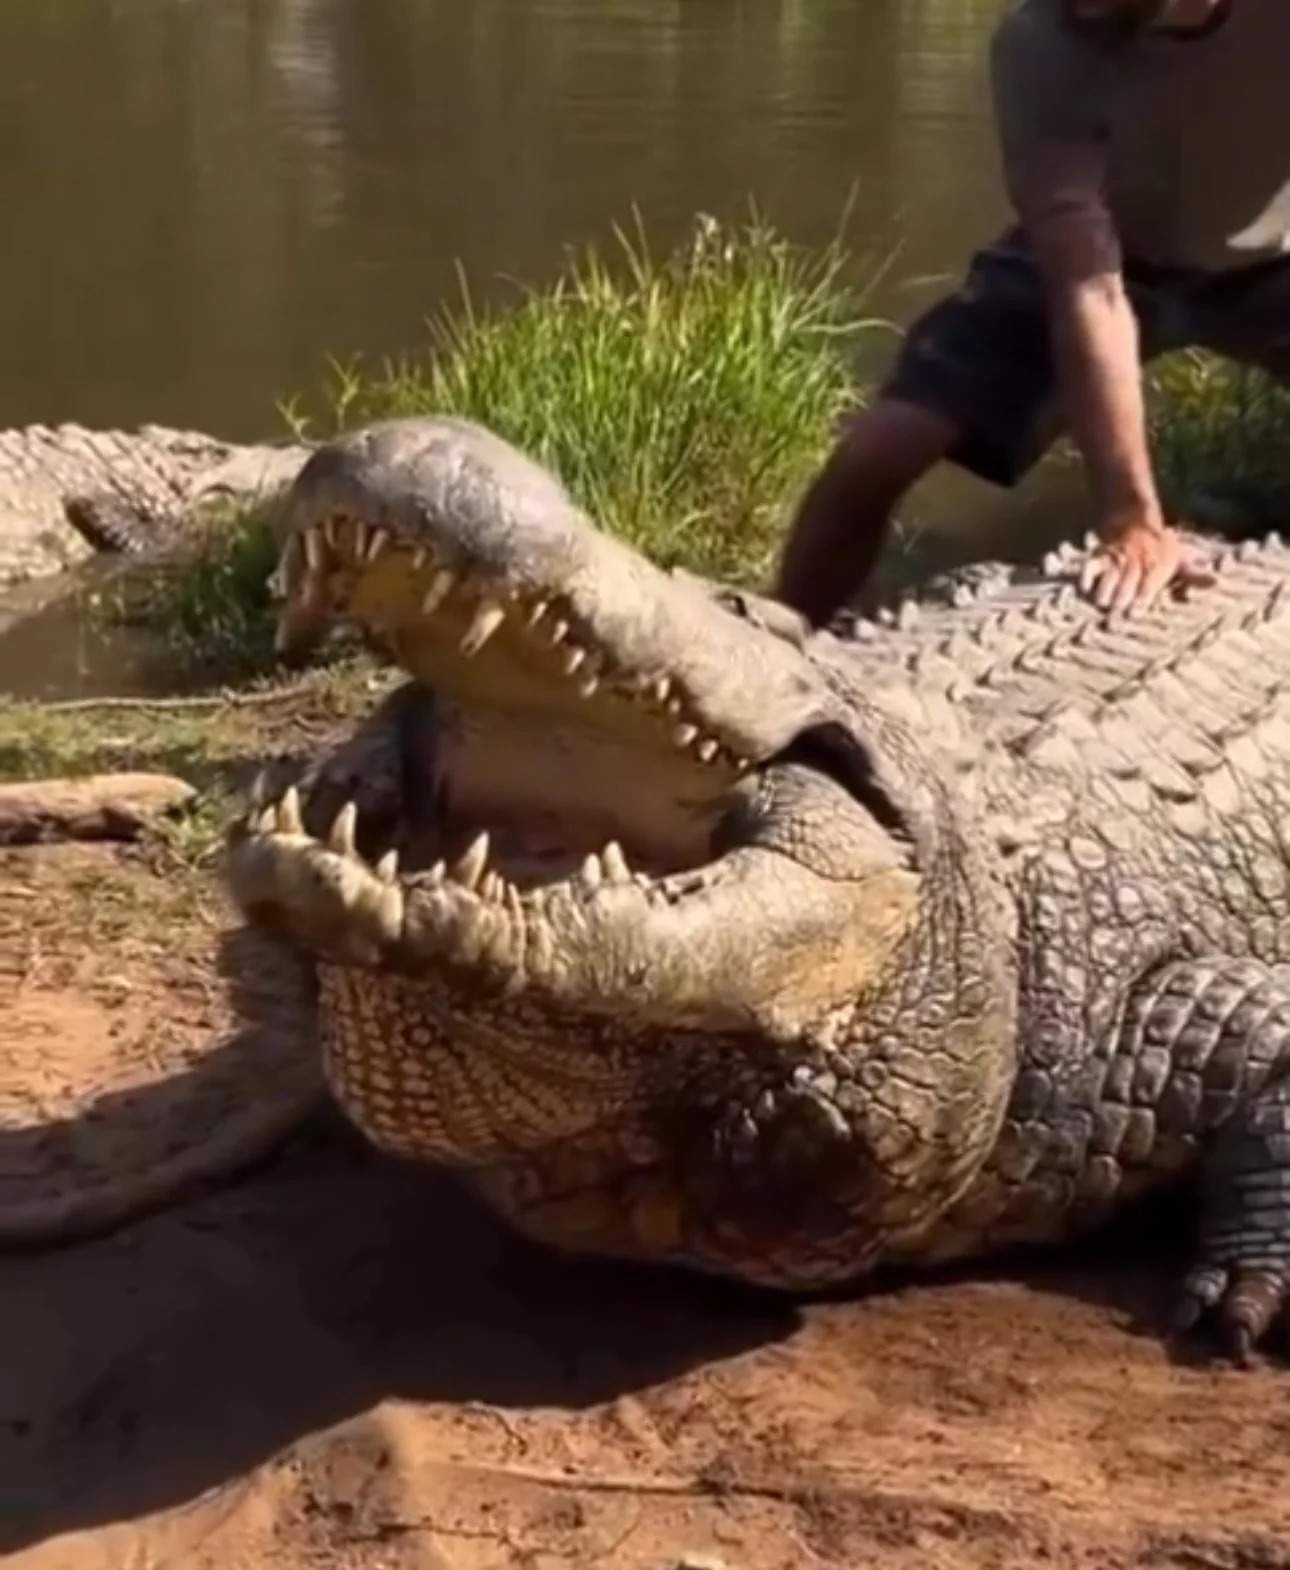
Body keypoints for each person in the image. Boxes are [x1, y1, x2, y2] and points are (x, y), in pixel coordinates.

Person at [774, 0, 1290, 625]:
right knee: (880, 451)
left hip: (1272, 260)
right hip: (1111, 259)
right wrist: (1130, 515)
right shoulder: (1039, 42)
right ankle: (778, 641)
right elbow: (1089, 283)